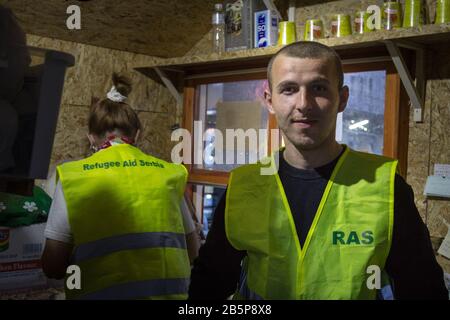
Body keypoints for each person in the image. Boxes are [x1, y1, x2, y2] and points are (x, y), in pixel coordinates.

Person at [188, 42, 448, 300]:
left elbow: (425, 289)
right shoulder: (244, 186)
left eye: (319, 88)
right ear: (270, 101)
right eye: (289, 89)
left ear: (342, 98)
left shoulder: (385, 185)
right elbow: (208, 285)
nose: (304, 103)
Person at [42, 73, 200, 300]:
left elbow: (53, 266)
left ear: (90, 138)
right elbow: (194, 252)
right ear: (138, 134)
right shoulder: (170, 174)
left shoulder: (72, 177)